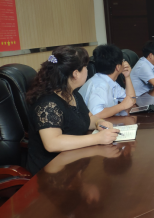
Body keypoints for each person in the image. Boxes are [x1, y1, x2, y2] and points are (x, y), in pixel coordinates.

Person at [26, 46, 121, 175]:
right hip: (50, 172)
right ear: (76, 73)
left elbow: (88, 118)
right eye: (85, 67)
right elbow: (52, 143)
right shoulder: (48, 104)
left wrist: (99, 123)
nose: (88, 70)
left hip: (73, 162)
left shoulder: (73, 94)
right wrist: (97, 139)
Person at [79, 44, 136, 119]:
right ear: (118, 67)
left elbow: (131, 100)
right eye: (123, 61)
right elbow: (96, 114)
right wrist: (122, 106)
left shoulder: (110, 82)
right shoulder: (99, 86)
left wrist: (127, 77)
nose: (124, 63)